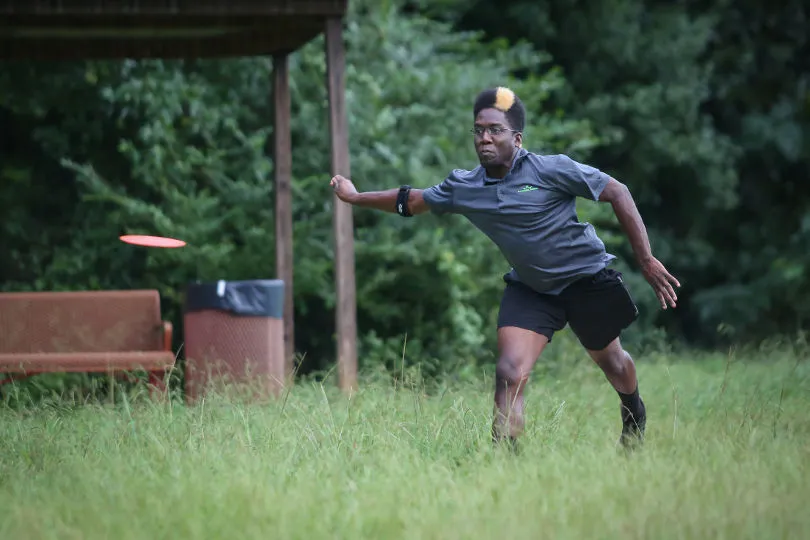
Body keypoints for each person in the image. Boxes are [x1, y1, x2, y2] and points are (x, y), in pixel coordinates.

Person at [329, 86, 680, 450]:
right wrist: (355, 197)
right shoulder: (464, 186)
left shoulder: (550, 169)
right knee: (509, 372)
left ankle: (633, 410)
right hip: (532, 289)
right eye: (478, 130)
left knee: (613, 363)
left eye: (494, 130)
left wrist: (646, 259)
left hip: (585, 280)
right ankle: (504, 460)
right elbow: (412, 200)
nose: (484, 138)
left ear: (516, 138)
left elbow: (617, 192)